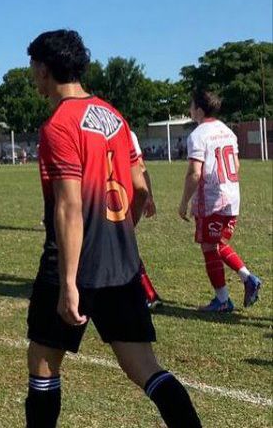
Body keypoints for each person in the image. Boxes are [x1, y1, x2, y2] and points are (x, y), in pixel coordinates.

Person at [25, 29, 201, 428]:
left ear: (44, 69)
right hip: (121, 262)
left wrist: (68, 283)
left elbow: (70, 207)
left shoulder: (58, 125)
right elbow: (140, 188)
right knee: (144, 366)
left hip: (72, 263)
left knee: (43, 361)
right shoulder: (115, 118)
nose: (33, 76)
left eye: (33, 68)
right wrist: (121, 230)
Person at [178, 90, 262, 312]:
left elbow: (195, 173)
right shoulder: (227, 131)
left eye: (191, 105)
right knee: (216, 244)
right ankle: (239, 286)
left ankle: (228, 295)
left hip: (212, 200)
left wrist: (184, 201)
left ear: (199, 109)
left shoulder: (197, 135)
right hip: (232, 197)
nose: (189, 109)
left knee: (210, 246)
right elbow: (237, 164)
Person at [130, 131, 162, 309]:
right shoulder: (126, 131)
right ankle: (147, 293)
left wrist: (147, 196)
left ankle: (147, 293)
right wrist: (149, 196)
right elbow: (141, 167)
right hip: (124, 195)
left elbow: (140, 166)